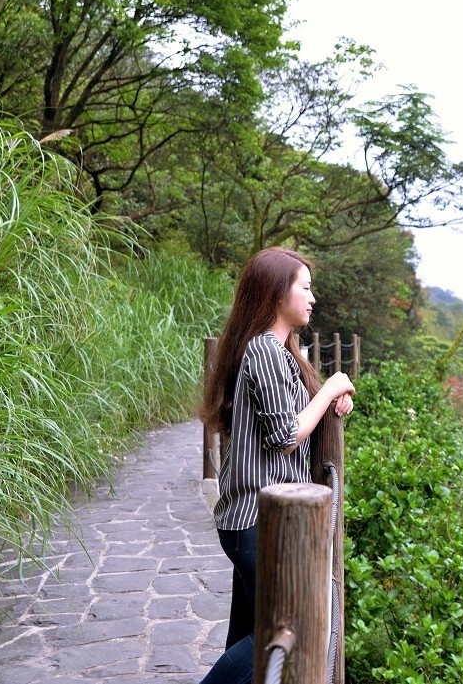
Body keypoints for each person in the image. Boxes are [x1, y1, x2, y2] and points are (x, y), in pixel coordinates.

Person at [198, 246, 355, 678]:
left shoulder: (277, 350)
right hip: (256, 520)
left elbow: (296, 414)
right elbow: (286, 435)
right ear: (276, 293)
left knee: (247, 636)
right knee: (288, 628)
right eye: (305, 287)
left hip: (256, 518)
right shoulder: (264, 350)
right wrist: (331, 388)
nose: (312, 297)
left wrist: (332, 400)